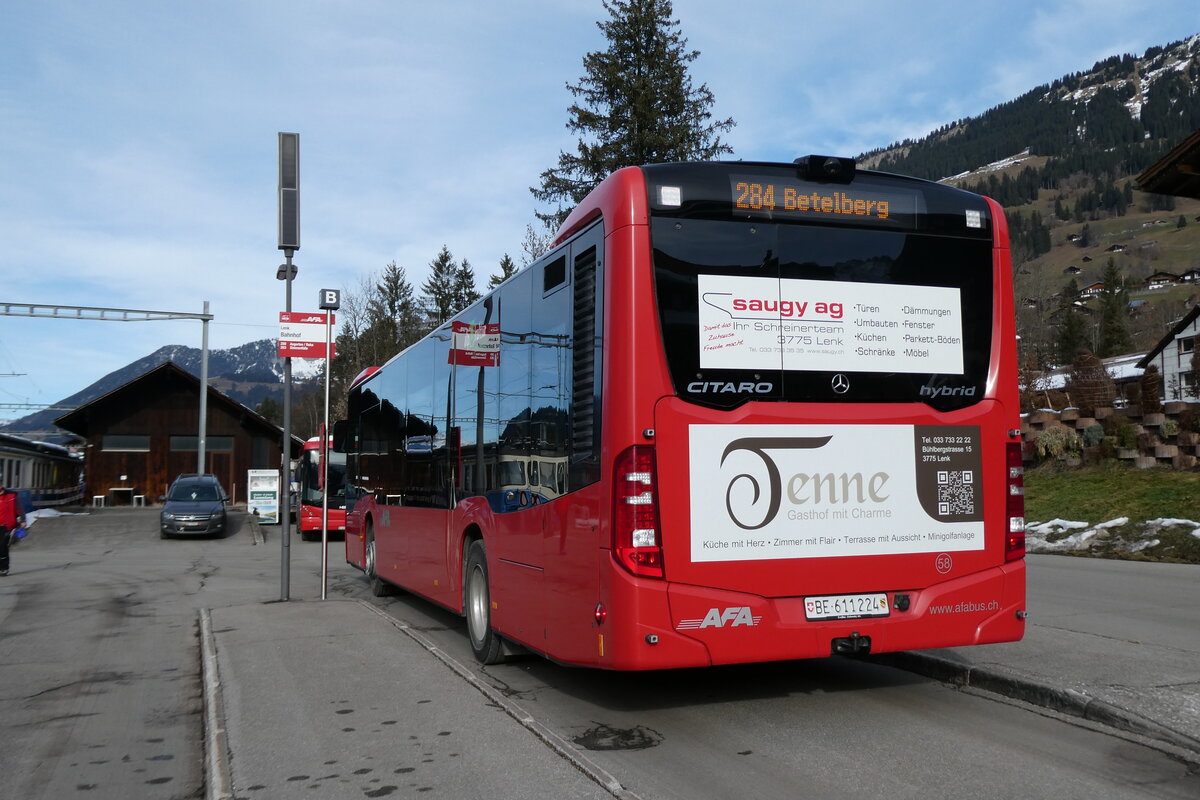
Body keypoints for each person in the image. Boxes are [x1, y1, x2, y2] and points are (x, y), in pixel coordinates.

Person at [0, 477, 26, 576]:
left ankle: (4, 568)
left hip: (7, 526)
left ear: (1, 485)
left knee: (2, 546)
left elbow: (20, 508)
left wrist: (22, 520)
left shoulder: (12, 495)